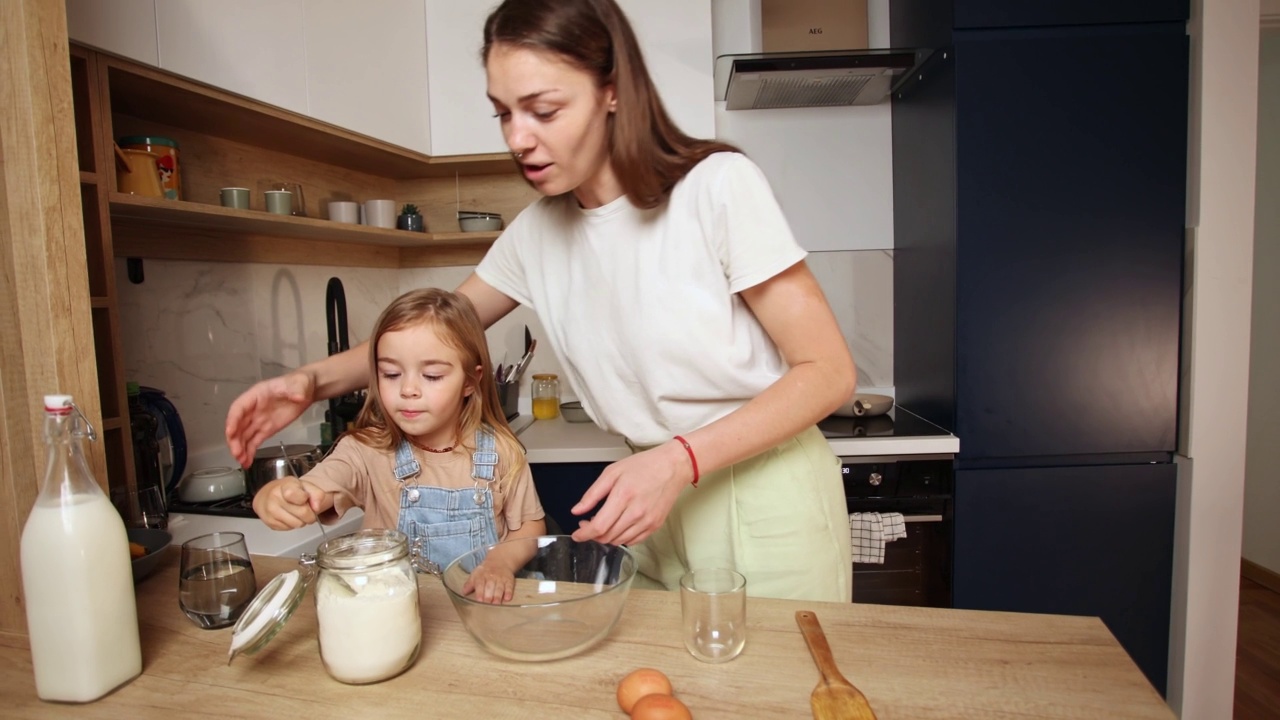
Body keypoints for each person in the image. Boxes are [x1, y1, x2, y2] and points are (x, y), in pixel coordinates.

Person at [228, 0, 857, 602]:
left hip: (761, 490)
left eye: (543, 110)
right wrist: (310, 382)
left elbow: (828, 373)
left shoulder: (717, 188)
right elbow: (432, 334)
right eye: (503, 113)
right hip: (651, 500)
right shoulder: (536, 233)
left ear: (613, 90)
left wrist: (678, 462)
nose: (519, 139)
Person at [253, 288, 546, 604]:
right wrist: (282, 496)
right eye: (391, 373)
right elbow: (318, 489)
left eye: (431, 375)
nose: (408, 389)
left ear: (469, 382)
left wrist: (500, 563)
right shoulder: (365, 451)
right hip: (394, 616)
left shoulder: (502, 451)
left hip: (482, 615)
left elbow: (529, 526)